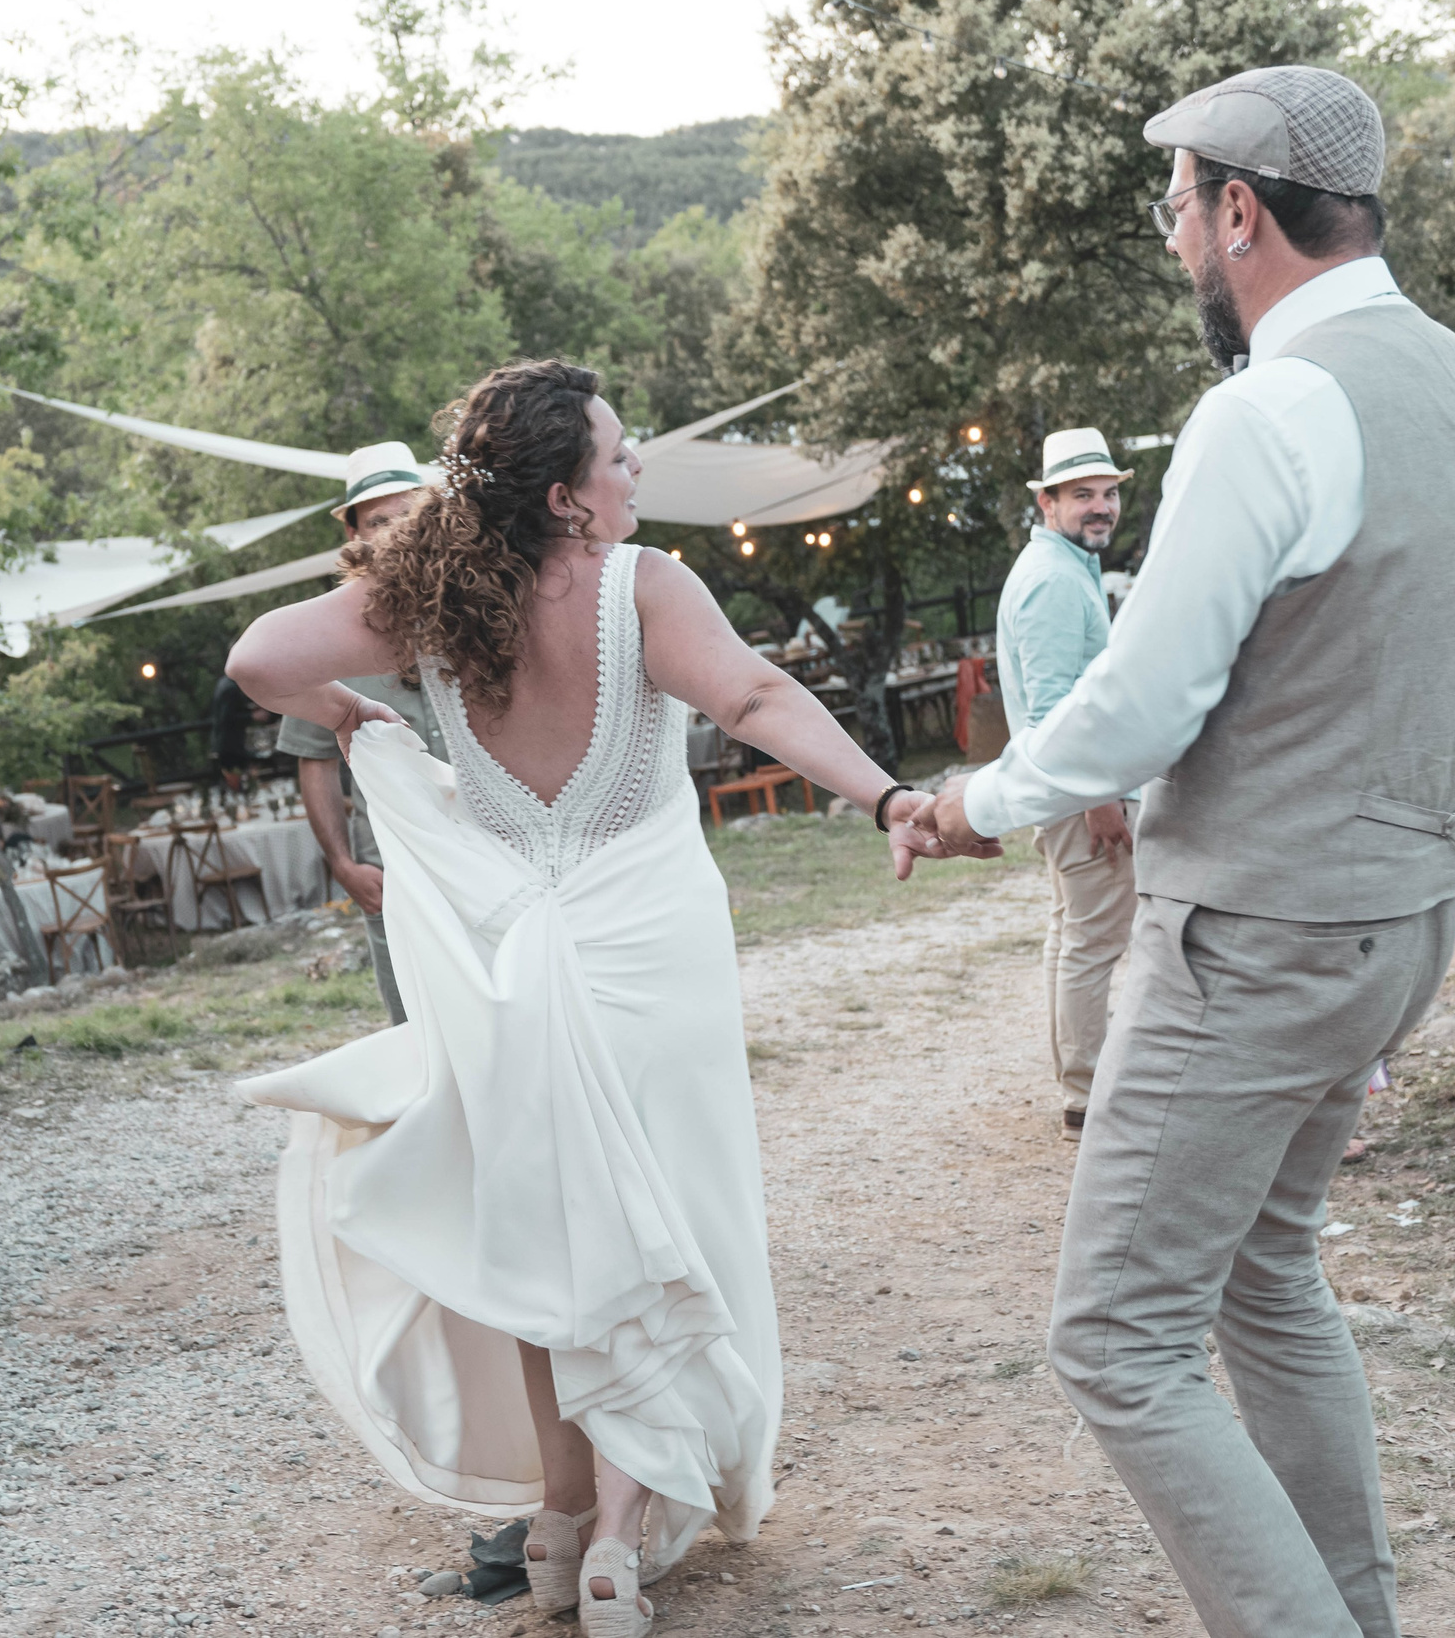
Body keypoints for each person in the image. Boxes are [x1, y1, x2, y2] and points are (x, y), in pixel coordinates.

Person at [919, 67, 1455, 1637]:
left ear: (1241, 211)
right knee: (1267, 1274)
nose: (1177, 236)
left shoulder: (1268, 409)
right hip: (1402, 915)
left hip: (1256, 934)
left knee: (1118, 1336)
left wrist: (974, 801)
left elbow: (1143, 701)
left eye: (1179, 206)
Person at [227, 360, 960, 1636]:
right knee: (659, 1216)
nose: (634, 471)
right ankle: (618, 1540)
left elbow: (257, 658)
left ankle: (561, 1524)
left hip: (517, 958)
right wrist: (889, 796)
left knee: (551, 1223)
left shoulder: (437, 604)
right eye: (616, 456)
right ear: (566, 497)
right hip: (649, 949)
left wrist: (352, 712)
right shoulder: (644, 586)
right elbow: (755, 695)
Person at [273, 442, 449, 1025]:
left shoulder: (473, 610)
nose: (396, 532)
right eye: (378, 521)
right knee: (418, 1029)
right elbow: (314, 761)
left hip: (491, 850)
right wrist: (343, 865)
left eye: (408, 514)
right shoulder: (325, 637)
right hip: (393, 870)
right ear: (353, 533)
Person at [996, 427, 1137, 1141]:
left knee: (1074, 934)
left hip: (1064, 790)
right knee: (1092, 941)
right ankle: (1087, 1094)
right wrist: (1099, 798)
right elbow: (1053, 708)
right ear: (1047, 502)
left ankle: (1081, 1089)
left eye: (1108, 492)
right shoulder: (1053, 579)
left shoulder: (1065, 565)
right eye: (1083, 494)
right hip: (1078, 794)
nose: (1101, 506)